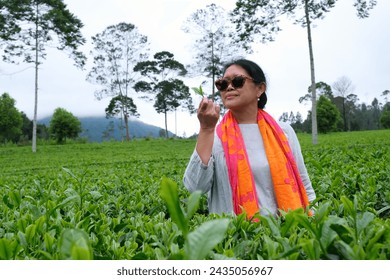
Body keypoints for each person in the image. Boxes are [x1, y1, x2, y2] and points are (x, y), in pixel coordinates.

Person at [183, 59, 316, 218]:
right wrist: (206, 129)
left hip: (285, 233)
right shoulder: (215, 136)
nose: (230, 87)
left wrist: (313, 220)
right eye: (223, 84)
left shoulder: (283, 132)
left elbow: (304, 184)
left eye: (238, 81)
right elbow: (195, 188)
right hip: (236, 238)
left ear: (260, 89)